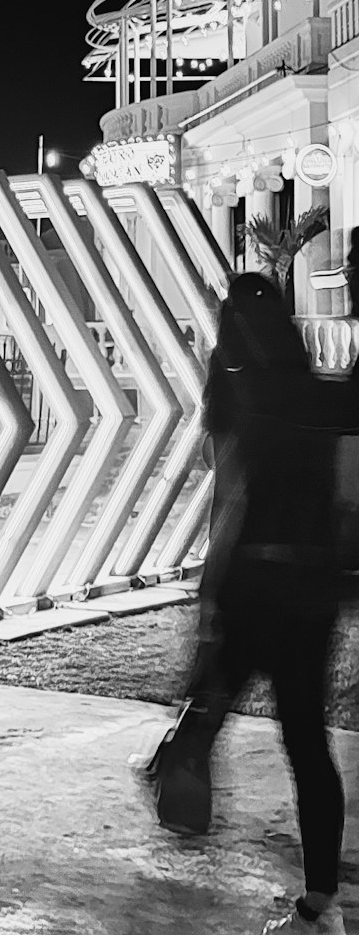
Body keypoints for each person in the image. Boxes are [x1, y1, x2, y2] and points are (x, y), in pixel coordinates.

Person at [146, 273, 359, 935]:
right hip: (307, 590)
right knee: (305, 742)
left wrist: (211, 594)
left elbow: (229, 504)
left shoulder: (240, 395)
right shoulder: (323, 399)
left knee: (208, 706)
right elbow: (348, 497)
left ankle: (175, 775)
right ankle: (322, 899)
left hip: (252, 582)